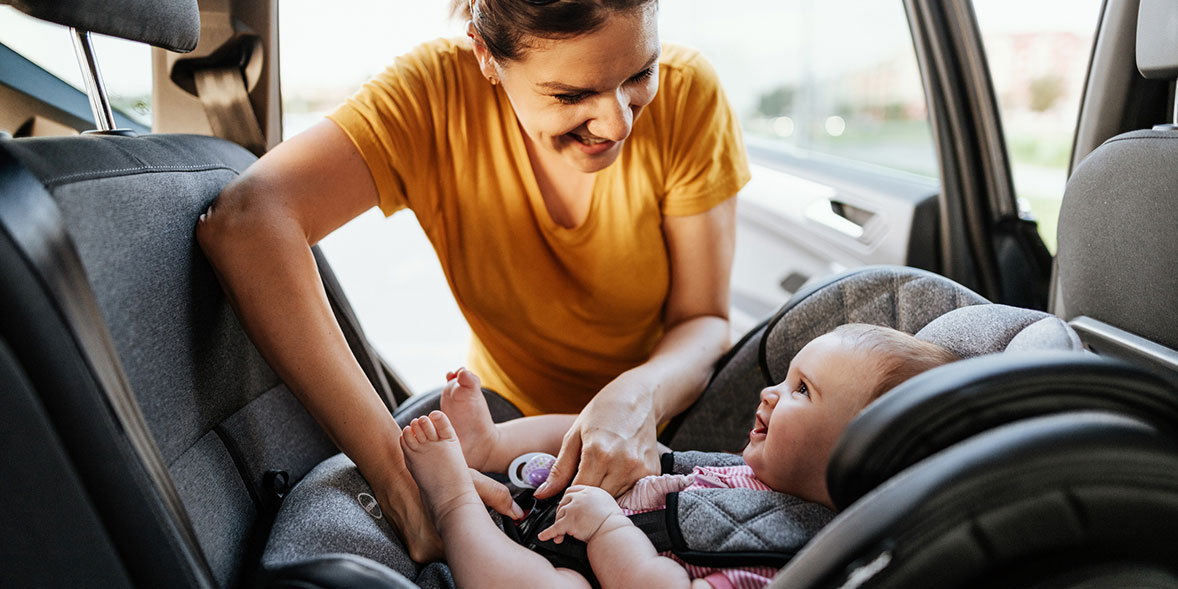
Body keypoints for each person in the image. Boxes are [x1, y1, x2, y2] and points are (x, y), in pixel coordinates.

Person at [196, 0, 749, 562]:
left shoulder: (689, 94)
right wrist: (400, 482)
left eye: (640, 74)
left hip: (665, 425)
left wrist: (638, 395)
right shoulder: (433, 96)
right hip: (507, 425)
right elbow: (246, 224)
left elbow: (702, 321)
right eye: (570, 95)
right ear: (486, 55)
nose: (618, 123)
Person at [400, 324, 960, 588]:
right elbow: (669, 473)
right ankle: (491, 445)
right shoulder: (755, 475)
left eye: (801, 392)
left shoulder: (792, 562)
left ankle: (451, 505)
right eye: (785, 379)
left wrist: (606, 533)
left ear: (857, 455)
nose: (769, 394)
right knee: (631, 442)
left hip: (596, 569)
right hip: (589, 511)